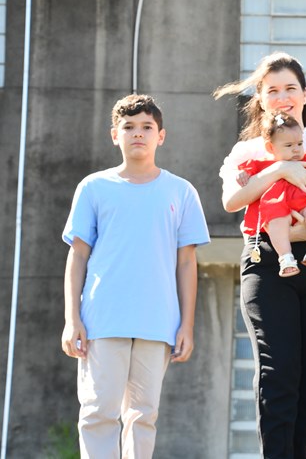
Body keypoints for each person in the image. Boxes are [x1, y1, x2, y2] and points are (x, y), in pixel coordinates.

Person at [215, 51, 306, 459]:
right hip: (266, 262)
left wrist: (304, 232)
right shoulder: (246, 153)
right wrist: (279, 170)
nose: (283, 97)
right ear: (261, 99)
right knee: (278, 371)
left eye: (290, 89)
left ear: (305, 94)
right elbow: (232, 201)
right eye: (272, 90)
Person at [61, 94, 210, 458]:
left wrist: (186, 325)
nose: (138, 134)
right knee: (98, 412)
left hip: (157, 321)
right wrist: (72, 319)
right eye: (129, 127)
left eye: (147, 127)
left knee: (143, 415)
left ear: (162, 135)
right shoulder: (94, 187)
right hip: (102, 319)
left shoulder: (181, 191)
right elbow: (78, 255)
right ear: (115, 135)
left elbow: (187, 263)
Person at [237, 111, 306, 277]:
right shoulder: (265, 166)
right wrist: (243, 175)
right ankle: (285, 258)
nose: (296, 150)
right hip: (277, 205)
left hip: (305, 203)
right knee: (276, 222)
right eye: (289, 146)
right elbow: (248, 177)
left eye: (299, 144)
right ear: (271, 147)